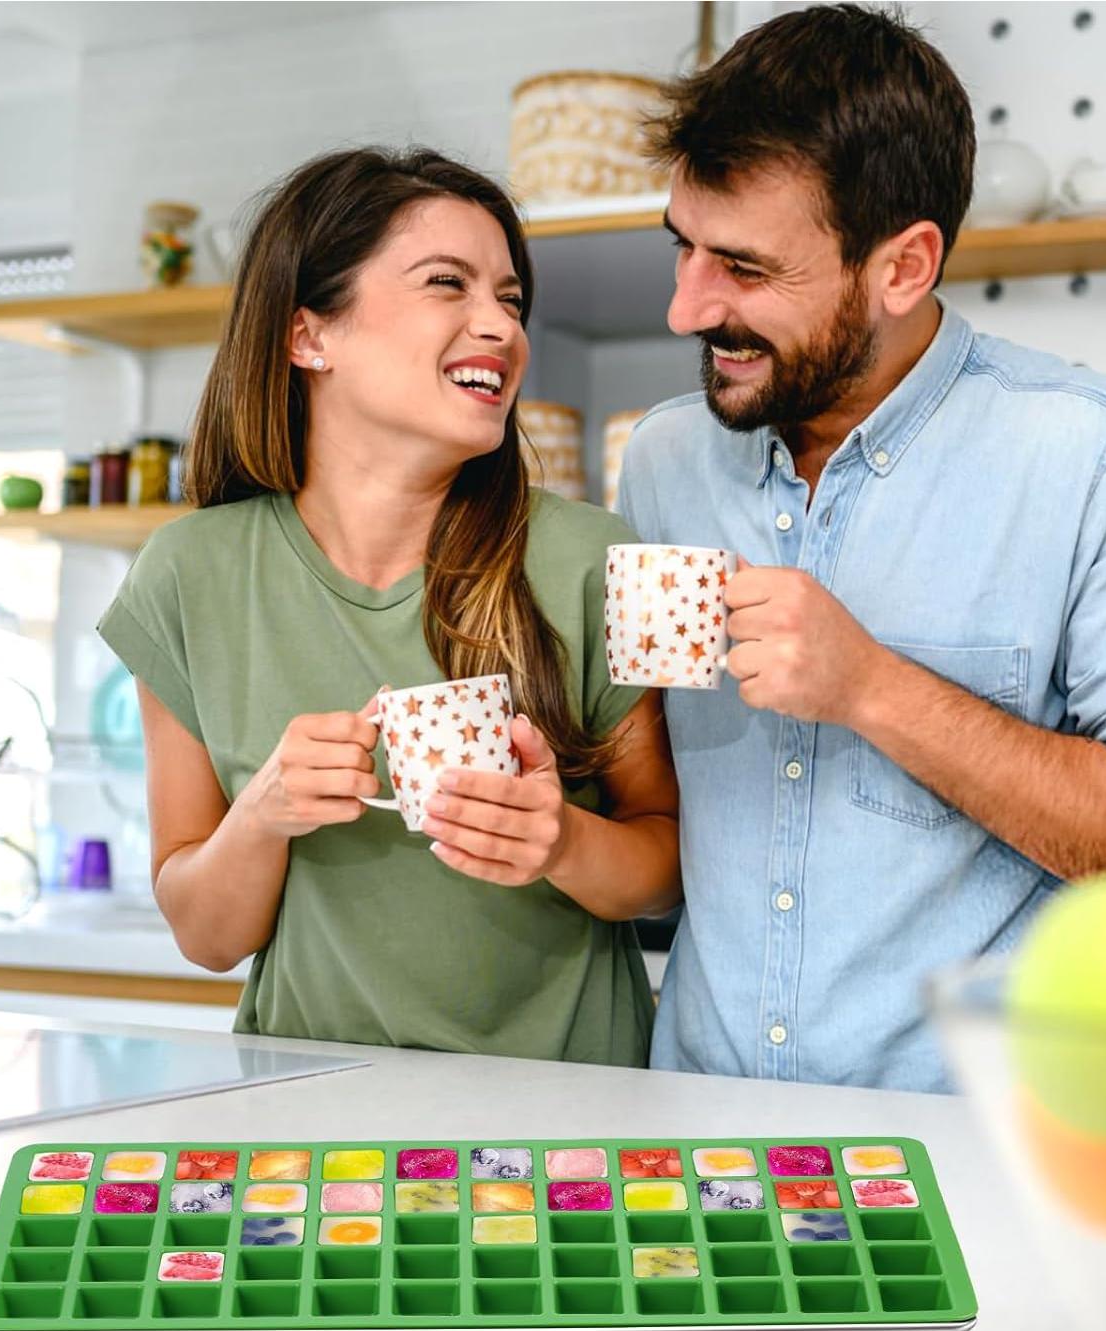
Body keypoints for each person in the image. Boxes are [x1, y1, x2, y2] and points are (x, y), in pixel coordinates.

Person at [618, 5, 1106, 1091]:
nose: (688, 308)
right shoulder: (665, 462)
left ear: (904, 267)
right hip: (700, 1127)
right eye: (682, 248)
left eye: (743, 267)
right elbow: (659, 828)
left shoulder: (1101, 457)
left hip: (976, 1150)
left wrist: (872, 688)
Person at [98, 147, 680, 1064]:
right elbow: (207, 939)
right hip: (312, 1129)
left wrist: (560, 841)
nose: (500, 325)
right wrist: (265, 813)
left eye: (512, 299)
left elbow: (668, 870)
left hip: (569, 1129)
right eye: (447, 284)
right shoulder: (186, 576)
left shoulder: (600, 559)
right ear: (309, 337)